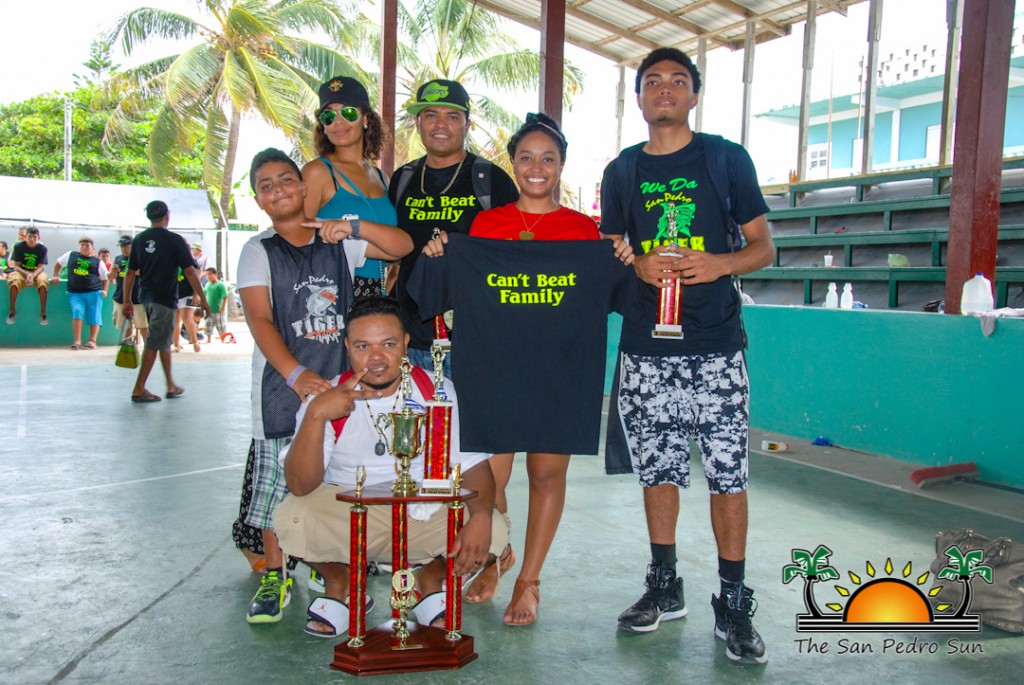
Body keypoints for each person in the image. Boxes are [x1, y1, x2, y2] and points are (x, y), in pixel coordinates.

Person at [422, 113, 634, 626]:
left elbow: (618, 294)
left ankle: (528, 580)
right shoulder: (484, 226)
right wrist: (439, 253)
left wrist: (624, 258)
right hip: (492, 369)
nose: (536, 168)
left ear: (561, 165)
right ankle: (498, 553)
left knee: (545, 475)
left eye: (548, 159)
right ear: (512, 164)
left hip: (560, 372)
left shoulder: (585, 231)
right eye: (526, 158)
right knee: (489, 480)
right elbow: (455, 283)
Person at [600, 48, 775, 665]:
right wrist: (637, 262)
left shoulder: (725, 158)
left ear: (694, 95)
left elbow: (764, 246)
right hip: (647, 347)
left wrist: (721, 262)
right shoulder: (622, 170)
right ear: (640, 98)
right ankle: (664, 584)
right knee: (659, 471)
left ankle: (733, 600)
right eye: (653, 82)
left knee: (728, 474)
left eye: (678, 81)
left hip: (716, 346)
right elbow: (610, 247)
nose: (665, 89)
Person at [235, 148, 411, 625]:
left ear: (302, 185)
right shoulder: (258, 250)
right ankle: (276, 575)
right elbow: (259, 318)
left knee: (334, 478)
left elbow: (401, 247)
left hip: (339, 387)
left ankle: (327, 565)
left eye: (285, 179)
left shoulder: (337, 240)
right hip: (282, 387)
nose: (278, 190)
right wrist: (295, 374)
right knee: (277, 488)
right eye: (266, 185)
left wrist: (353, 227)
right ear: (259, 200)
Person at [273, 296, 508, 638]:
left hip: (421, 515)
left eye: (388, 344)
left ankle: (431, 576)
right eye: (363, 346)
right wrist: (317, 414)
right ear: (347, 347)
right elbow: (299, 484)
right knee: (292, 516)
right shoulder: (326, 396)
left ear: (406, 343)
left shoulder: (437, 390)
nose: (376, 358)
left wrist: (482, 517)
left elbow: (473, 465)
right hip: (352, 516)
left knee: (493, 527)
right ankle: (340, 579)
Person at [389, 78, 519, 377]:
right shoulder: (403, 178)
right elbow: (393, 257)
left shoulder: (491, 179)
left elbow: (511, 256)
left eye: (452, 116)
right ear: (418, 123)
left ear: (467, 125)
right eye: (430, 115)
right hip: (410, 337)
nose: (440, 125)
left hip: (472, 337)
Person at [302, 76, 395, 298]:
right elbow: (297, 238)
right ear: (323, 126)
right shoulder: (317, 172)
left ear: (365, 119)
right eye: (329, 116)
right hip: (333, 290)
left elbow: (396, 252)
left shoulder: (382, 178)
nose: (338, 121)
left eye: (349, 113)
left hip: (377, 296)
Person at [123, 201, 210, 403]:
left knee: (162, 340)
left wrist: (127, 300)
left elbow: (129, 273)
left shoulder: (140, 239)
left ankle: (171, 384)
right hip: (164, 298)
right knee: (155, 342)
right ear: (167, 216)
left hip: (146, 297)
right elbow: (190, 271)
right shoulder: (174, 240)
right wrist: (202, 298)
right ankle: (139, 388)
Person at [51, 236, 109, 349]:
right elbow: (58, 263)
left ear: (92, 248)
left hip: (94, 292)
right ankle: (77, 341)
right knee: (77, 312)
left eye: (87, 245)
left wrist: (105, 290)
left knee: (95, 314)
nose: (84, 247)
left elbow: (105, 278)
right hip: (75, 293)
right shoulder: (71, 255)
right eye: (82, 245)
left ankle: (92, 341)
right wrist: (55, 276)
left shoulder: (98, 261)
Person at [7, 226, 50, 325]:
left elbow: (41, 267)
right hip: (21, 271)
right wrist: (26, 274)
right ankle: (12, 311)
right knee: (14, 281)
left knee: (43, 280)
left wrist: (33, 275)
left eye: (35, 237)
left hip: (36, 272)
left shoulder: (43, 249)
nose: (32, 239)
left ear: (39, 238)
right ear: (25, 237)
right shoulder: (18, 247)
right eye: (29, 236)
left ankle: (43, 312)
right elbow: (16, 266)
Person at [110, 234, 149, 343]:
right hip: (121, 297)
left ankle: (148, 347)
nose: (124, 249)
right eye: (122, 246)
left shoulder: (141, 258)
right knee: (125, 326)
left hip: (138, 298)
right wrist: (113, 272)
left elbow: (148, 275)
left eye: (126, 246)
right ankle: (128, 346)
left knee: (143, 325)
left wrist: (137, 272)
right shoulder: (117, 259)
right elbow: (110, 277)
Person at [203, 267, 230, 343]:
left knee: (220, 325)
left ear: (215, 274)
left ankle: (223, 339)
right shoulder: (207, 285)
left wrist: (223, 306)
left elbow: (225, 296)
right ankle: (208, 339)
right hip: (209, 310)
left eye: (210, 274)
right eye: (207, 275)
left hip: (218, 309)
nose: (209, 277)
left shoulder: (220, 285)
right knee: (208, 324)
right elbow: (204, 295)